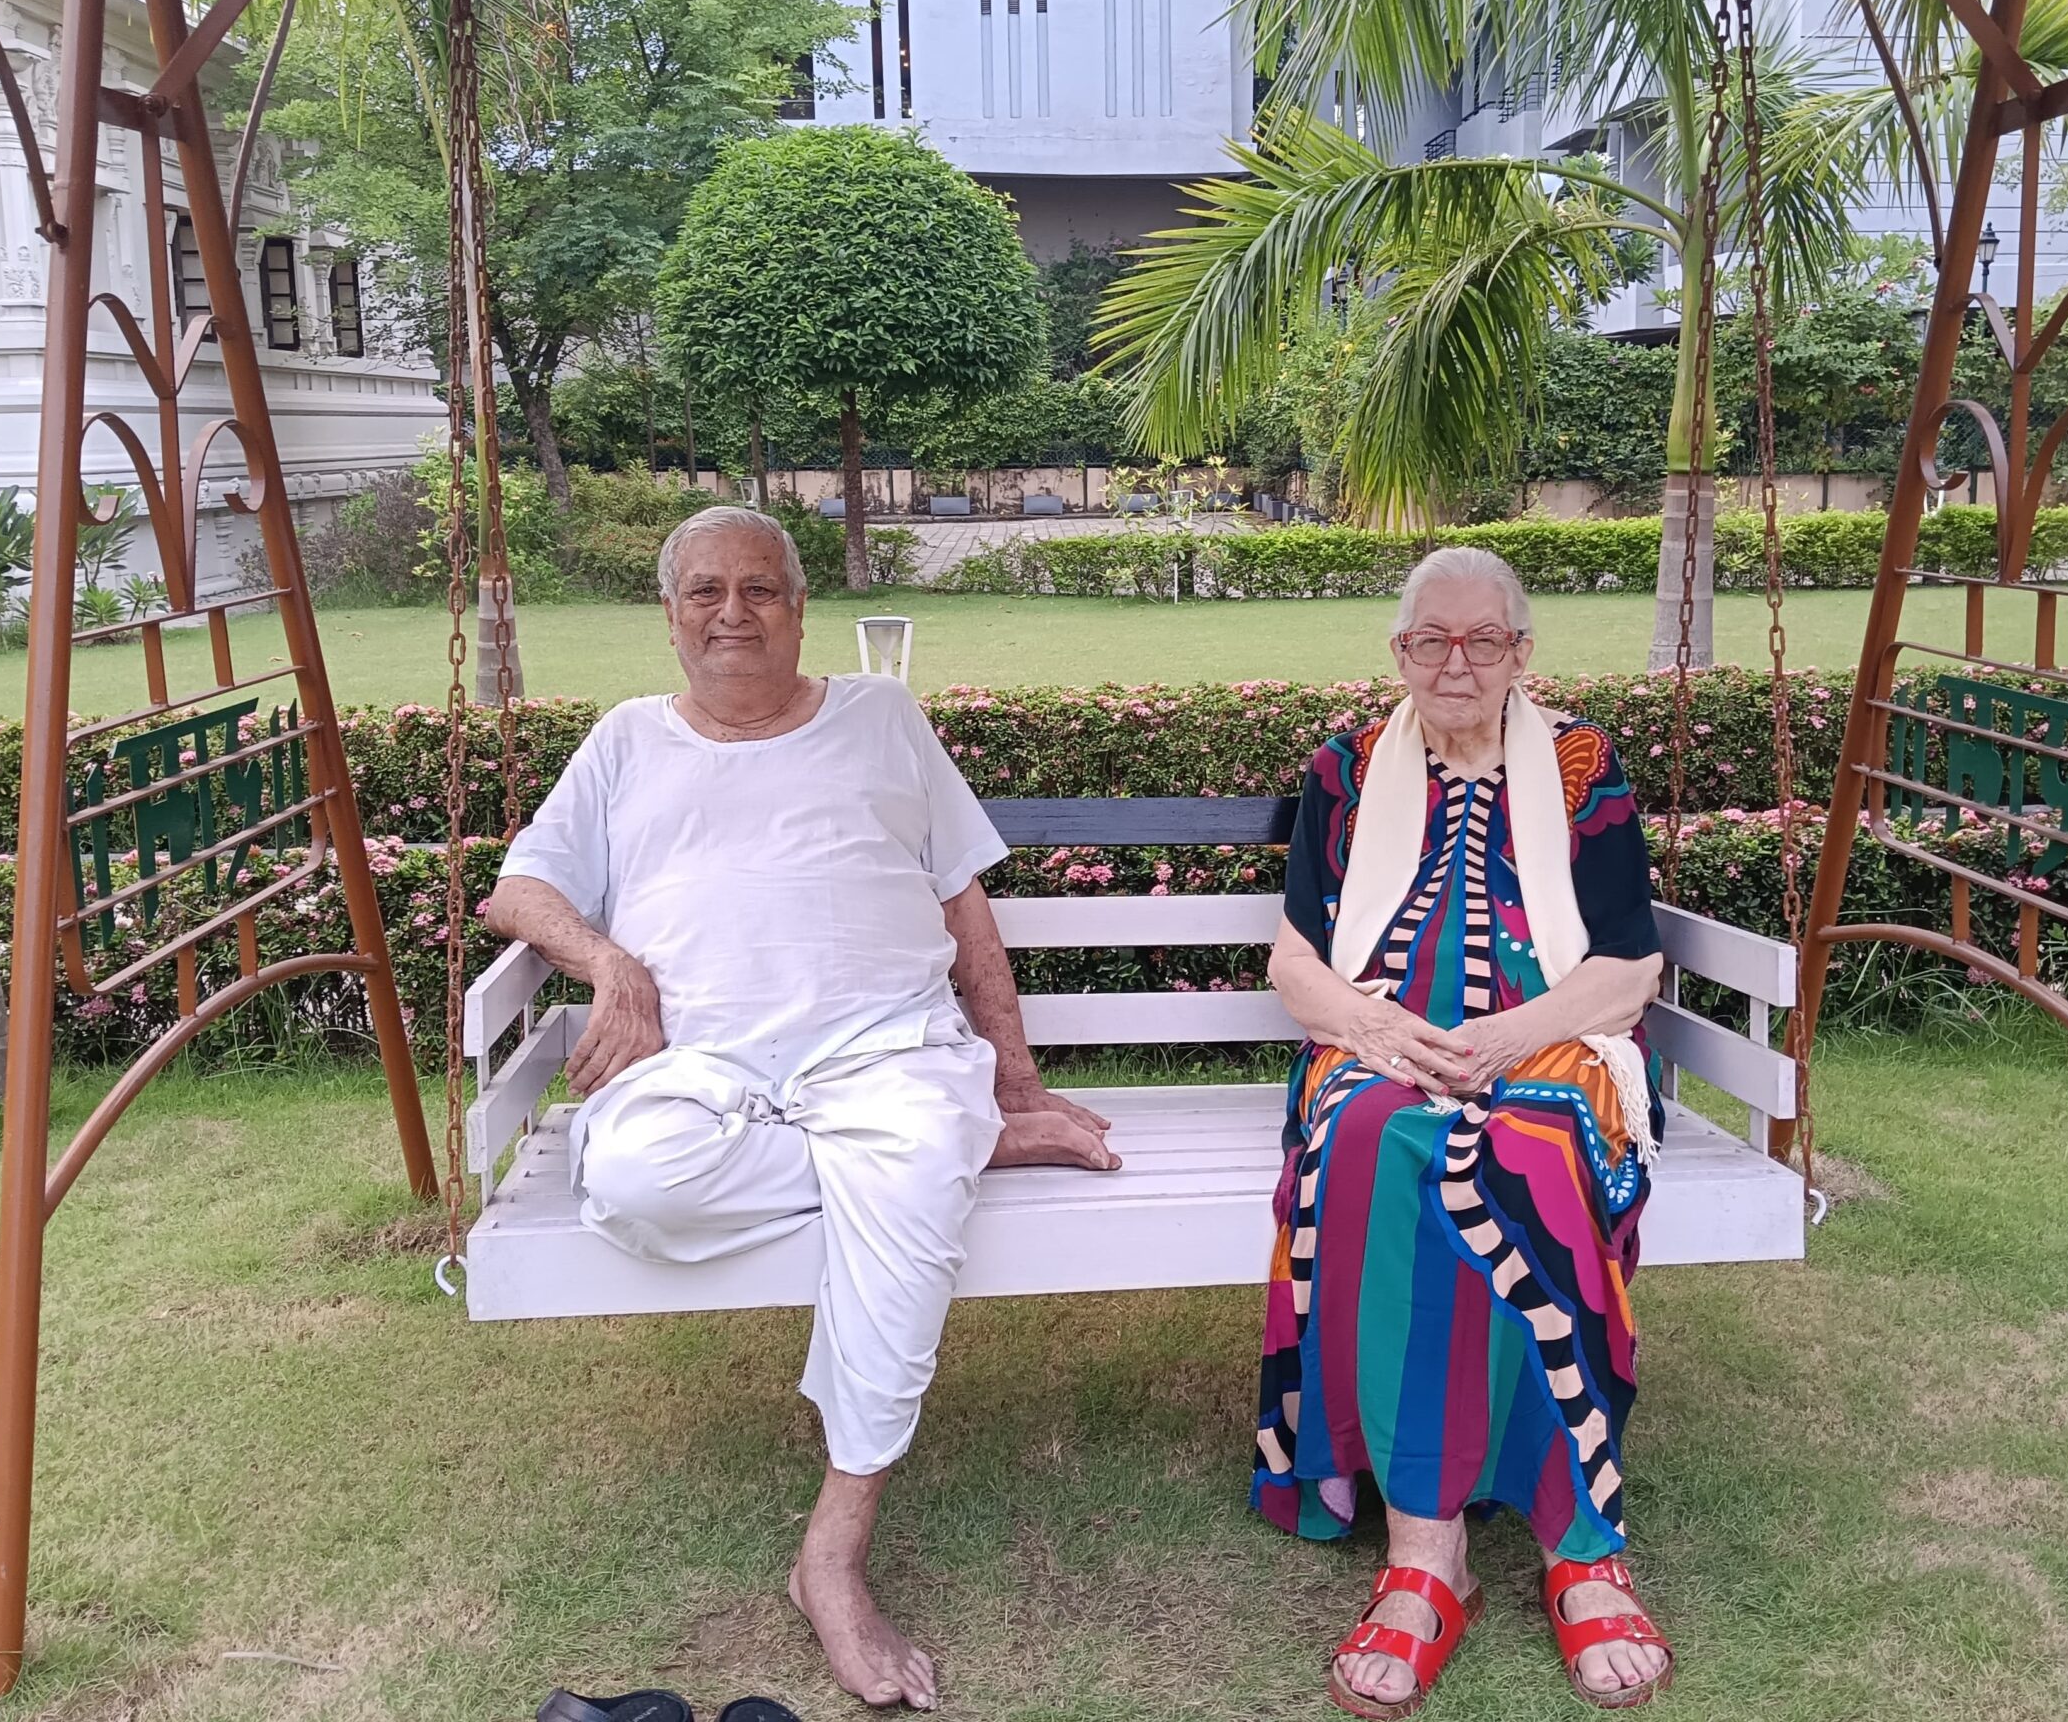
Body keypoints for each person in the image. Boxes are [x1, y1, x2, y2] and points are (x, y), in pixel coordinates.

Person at [486, 506, 1117, 1713]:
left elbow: (963, 905)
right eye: (706, 592)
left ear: (799, 607)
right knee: (633, 1182)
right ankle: (944, 1155)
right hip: (704, 1067)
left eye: (761, 590)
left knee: (913, 1159)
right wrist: (611, 964)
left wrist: (1011, 1079)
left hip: (885, 1051)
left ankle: (830, 1560)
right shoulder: (625, 742)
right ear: (668, 617)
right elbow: (520, 891)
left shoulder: (881, 718)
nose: (734, 612)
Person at [1258, 546, 1676, 1716]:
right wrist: (1377, 1029)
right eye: (1428, 641)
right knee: (1381, 1142)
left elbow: (1628, 962)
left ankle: (1578, 1542)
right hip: (1375, 1046)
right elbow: (1296, 955)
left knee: (1527, 1151)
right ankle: (1425, 1554)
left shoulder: (1582, 766)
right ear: (1397, 653)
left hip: (1552, 1044)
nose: (1455, 662)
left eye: (1481, 640)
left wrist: (1499, 1044)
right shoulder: (1343, 772)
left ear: (1520, 655)